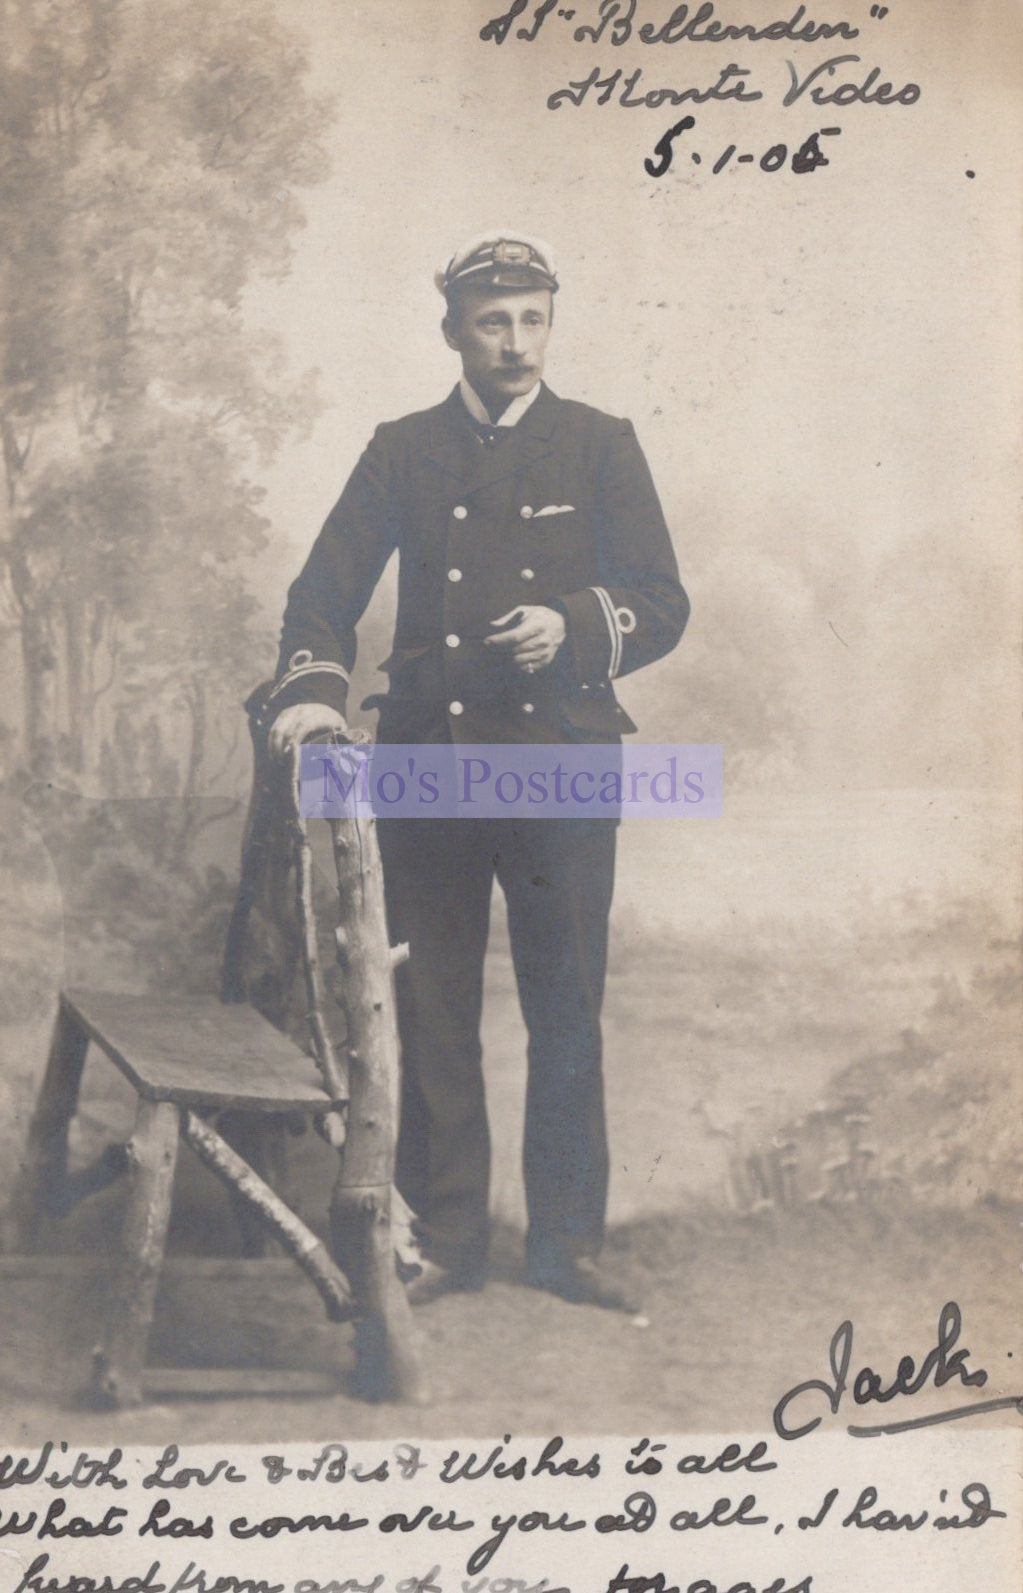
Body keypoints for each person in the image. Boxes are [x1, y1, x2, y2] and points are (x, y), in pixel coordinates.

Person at [266, 232, 689, 1309]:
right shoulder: (403, 449)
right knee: (432, 1002)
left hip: (563, 764)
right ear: (453, 330)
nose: (516, 342)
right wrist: (312, 688)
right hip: (429, 761)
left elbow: (661, 599)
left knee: (566, 1005)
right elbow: (322, 590)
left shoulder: (600, 444)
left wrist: (574, 624)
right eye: (493, 321)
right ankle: (448, 1236)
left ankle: (565, 1246)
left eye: (533, 319)